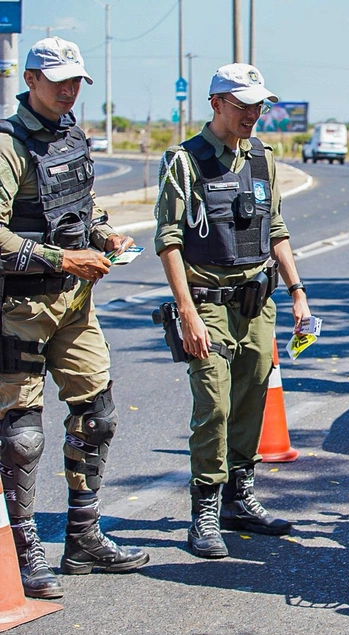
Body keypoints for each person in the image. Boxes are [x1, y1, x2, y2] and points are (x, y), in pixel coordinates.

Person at [0, 37, 149, 599]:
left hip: (74, 304)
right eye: (58, 80)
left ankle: (83, 537)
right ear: (32, 79)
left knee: (98, 413)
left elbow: (80, 206)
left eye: (76, 82)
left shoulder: (70, 135)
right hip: (19, 306)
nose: (68, 91)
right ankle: (21, 549)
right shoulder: (7, 144)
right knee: (21, 434)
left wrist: (103, 231)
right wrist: (61, 257)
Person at [154, 63, 311, 558]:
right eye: (243, 105)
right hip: (206, 303)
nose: (253, 114)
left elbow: (277, 229)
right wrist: (187, 312)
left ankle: (237, 496)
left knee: (250, 402)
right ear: (216, 103)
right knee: (215, 405)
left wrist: (296, 291)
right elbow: (169, 240)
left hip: (256, 302)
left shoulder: (262, 158)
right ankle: (204, 507)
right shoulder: (185, 161)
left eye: (259, 105)